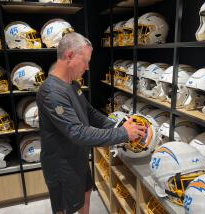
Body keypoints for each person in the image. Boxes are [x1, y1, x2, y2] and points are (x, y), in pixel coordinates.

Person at [36, 32, 146, 214]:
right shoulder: (51, 92)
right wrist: (123, 134)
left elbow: (90, 113)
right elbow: (78, 133)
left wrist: (119, 124)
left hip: (77, 156)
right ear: (70, 55)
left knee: (86, 192)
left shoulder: (72, 84)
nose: (87, 67)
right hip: (62, 164)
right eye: (85, 61)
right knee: (66, 207)